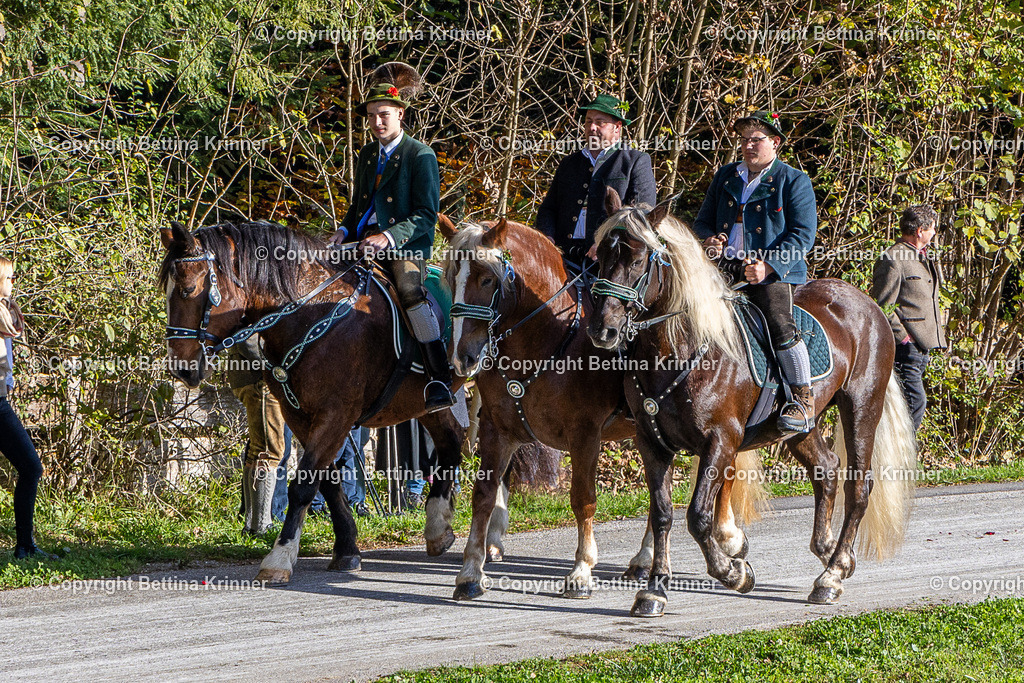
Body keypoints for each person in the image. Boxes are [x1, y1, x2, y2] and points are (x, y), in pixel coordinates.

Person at [327, 62, 454, 413]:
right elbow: (359, 206)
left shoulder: (420, 155)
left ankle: (438, 377)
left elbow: (426, 214)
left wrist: (388, 236)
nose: (376, 122)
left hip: (404, 247)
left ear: (400, 114)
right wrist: (342, 230)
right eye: (371, 116)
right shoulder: (368, 154)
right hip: (360, 242)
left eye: (383, 115)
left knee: (411, 292)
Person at [693, 110, 819, 433]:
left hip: (771, 272)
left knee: (779, 322)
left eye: (756, 140)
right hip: (723, 268)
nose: (748, 146)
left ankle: (803, 398)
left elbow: (803, 235)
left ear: (775, 142)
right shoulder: (726, 176)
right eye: (744, 140)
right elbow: (702, 221)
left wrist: (769, 266)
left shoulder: (794, 180)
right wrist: (708, 240)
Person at [536, 93, 657, 271]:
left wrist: (604, 242)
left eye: (600, 122)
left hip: (610, 263)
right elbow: (548, 209)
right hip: (561, 259)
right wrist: (547, 238)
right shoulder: (569, 163)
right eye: (588, 121)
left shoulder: (635, 161)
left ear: (617, 127)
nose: (592, 127)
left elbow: (640, 214)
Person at [871, 205, 946, 431]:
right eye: (932, 228)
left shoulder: (922, 256)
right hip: (905, 348)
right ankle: (904, 451)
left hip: (922, 348)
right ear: (920, 230)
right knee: (915, 403)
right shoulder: (893, 258)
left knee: (908, 406)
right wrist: (904, 338)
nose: (934, 233)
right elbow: (883, 305)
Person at [0, 256, 53, 560]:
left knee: (30, 467)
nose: (13, 283)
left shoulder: (5, 313)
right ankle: (25, 546)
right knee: (31, 467)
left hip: (0, 402)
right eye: (9, 277)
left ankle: (25, 546)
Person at [226, 336, 289, 535]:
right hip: (260, 380)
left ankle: (252, 524)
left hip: (249, 377)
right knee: (269, 452)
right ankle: (262, 526)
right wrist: (273, 369)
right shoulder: (250, 311)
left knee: (256, 452)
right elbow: (248, 340)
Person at [308, 427, 370, 518]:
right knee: (331, 456)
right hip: (338, 420)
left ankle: (350, 502)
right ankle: (316, 505)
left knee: (349, 455)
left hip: (354, 420)